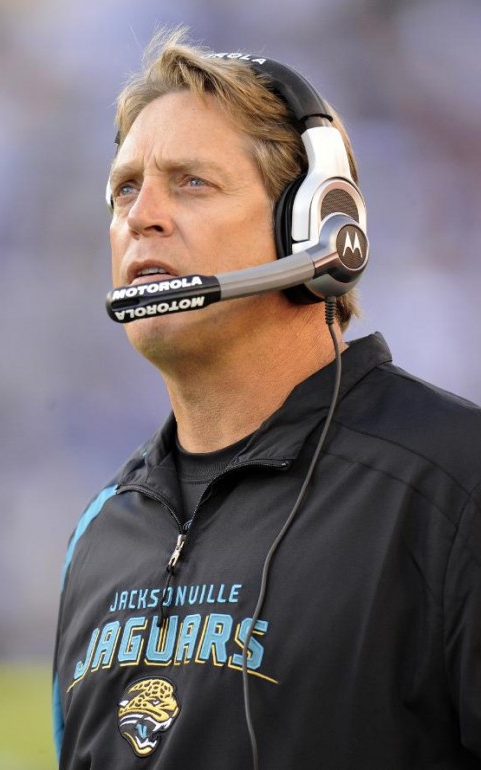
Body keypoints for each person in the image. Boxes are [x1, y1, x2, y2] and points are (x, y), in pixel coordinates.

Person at [52, 28, 481, 770]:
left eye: (191, 181)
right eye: (126, 187)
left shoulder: (456, 484)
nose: (140, 216)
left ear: (318, 227)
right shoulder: (99, 536)